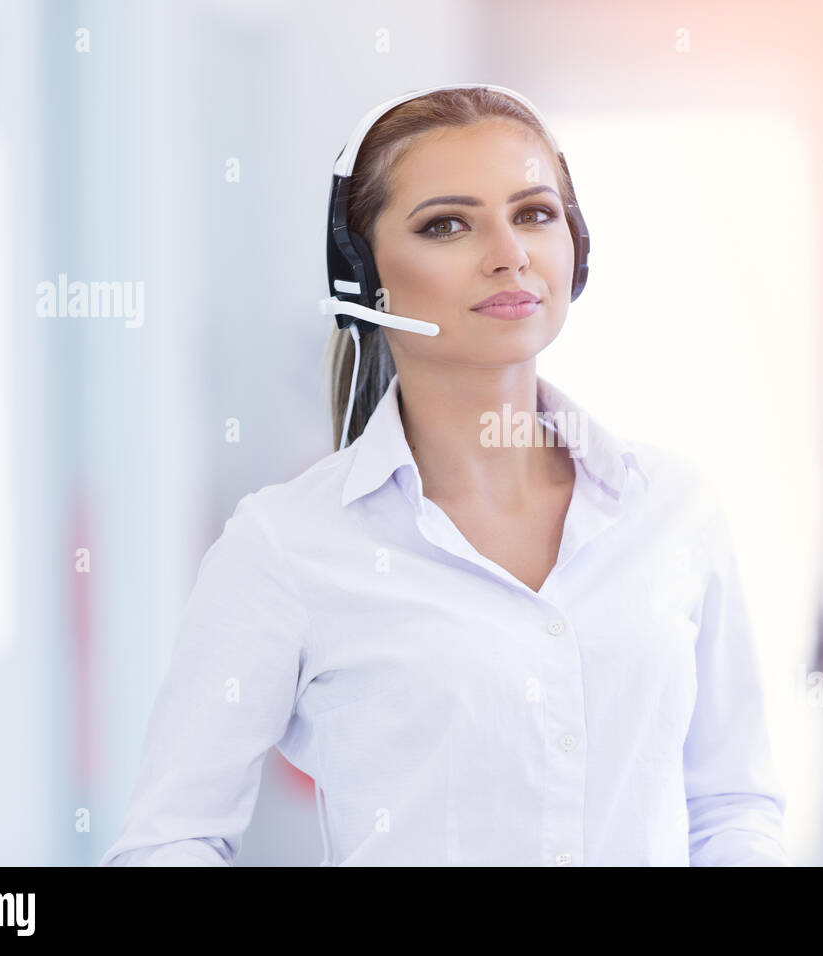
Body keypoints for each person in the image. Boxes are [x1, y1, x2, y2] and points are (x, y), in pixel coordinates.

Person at [99, 85, 787, 866]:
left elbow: (732, 804)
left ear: (577, 248)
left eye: (534, 213)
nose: (508, 254)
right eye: (448, 225)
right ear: (365, 276)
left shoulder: (671, 509)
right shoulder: (287, 547)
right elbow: (168, 841)